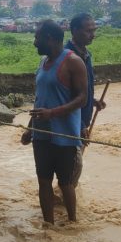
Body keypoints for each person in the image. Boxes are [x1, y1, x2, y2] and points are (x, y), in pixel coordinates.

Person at [21, 20, 87, 224]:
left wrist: (53, 113)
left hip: (64, 135)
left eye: (37, 37)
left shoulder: (73, 62)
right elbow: (40, 100)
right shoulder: (43, 62)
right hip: (41, 134)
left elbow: (82, 98)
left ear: (49, 38)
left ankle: (73, 223)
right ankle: (48, 227)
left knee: (66, 183)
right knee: (43, 181)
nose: (34, 42)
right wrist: (30, 128)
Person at [65, 13, 106, 186]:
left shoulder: (86, 55)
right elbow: (67, 95)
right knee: (73, 166)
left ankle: (65, 193)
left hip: (82, 121)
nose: (92, 35)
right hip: (70, 123)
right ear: (75, 30)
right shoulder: (68, 57)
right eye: (88, 31)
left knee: (74, 166)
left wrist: (93, 101)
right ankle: (66, 195)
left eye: (94, 30)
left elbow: (81, 90)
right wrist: (81, 125)